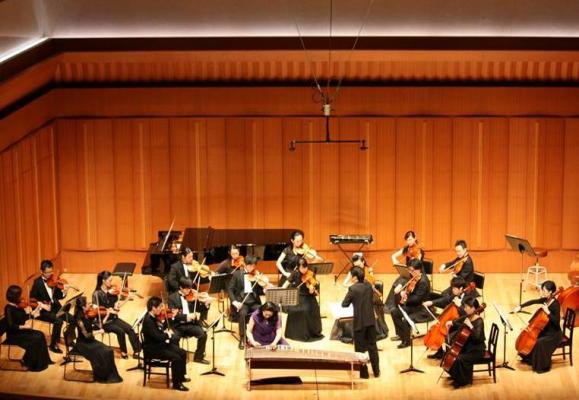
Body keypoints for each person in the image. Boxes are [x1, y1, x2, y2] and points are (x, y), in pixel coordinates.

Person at [513, 280, 563, 373]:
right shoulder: (546, 300)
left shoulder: (556, 305)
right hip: (545, 329)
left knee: (539, 342)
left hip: (554, 334)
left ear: (550, 292)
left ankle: (542, 366)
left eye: (544, 290)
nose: (542, 292)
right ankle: (531, 359)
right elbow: (534, 301)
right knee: (533, 338)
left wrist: (548, 312)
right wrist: (520, 306)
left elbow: (556, 322)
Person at [422, 276, 477, 359]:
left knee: (447, 331)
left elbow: (468, 315)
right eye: (452, 288)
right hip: (454, 321)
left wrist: (460, 306)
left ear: (461, 288)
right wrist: (432, 302)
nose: (452, 290)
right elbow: (446, 299)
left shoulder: (468, 298)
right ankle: (440, 352)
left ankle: (447, 352)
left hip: (463, 323)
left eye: (454, 288)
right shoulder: (456, 294)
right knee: (443, 326)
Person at [142, 296, 189, 391]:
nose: (161, 309)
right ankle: (177, 383)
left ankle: (181, 377)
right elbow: (158, 337)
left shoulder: (153, 317)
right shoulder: (148, 321)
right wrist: (168, 334)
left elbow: (158, 333)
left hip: (159, 345)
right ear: (153, 308)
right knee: (176, 358)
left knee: (183, 352)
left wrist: (164, 329)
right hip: (153, 349)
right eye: (160, 307)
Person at [72, 296, 122, 383]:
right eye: (88, 304)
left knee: (109, 350)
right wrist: (98, 332)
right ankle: (102, 375)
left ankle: (110, 375)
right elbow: (87, 335)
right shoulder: (79, 320)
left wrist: (106, 315)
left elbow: (96, 325)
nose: (90, 305)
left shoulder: (86, 315)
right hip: (83, 344)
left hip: (90, 341)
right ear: (83, 307)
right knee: (104, 352)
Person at [92, 271, 141, 359]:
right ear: (103, 281)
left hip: (114, 318)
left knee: (130, 329)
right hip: (104, 321)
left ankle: (137, 351)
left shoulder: (112, 292)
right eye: (109, 280)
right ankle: (123, 352)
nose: (111, 283)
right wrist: (108, 311)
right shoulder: (96, 294)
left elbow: (116, 306)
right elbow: (96, 310)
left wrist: (127, 299)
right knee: (120, 331)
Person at [341, 267, 380, 378]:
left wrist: (350, 292)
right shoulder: (368, 286)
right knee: (372, 346)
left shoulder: (353, 289)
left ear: (354, 277)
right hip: (371, 321)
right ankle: (376, 371)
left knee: (360, 349)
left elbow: (344, 304)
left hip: (360, 323)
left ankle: (364, 373)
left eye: (351, 276)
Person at [4, 285, 53, 371]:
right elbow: (10, 326)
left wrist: (33, 314)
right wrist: (23, 326)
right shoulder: (8, 308)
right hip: (14, 335)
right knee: (36, 338)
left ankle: (44, 361)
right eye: (19, 295)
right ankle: (31, 363)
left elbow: (23, 317)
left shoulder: (18, 305)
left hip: (22, 331)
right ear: (15, 297)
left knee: (40, 334)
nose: (21, 297)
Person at [29, 259, 73, 353]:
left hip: (55, 307)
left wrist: (64, 292)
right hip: (43, 311)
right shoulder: (37, 283)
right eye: (47, 273)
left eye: (51, 272)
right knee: (58, 321)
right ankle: (53, 345)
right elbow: (32, 300)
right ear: (41, 271)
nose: (50, 274)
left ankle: (69, 339)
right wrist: (42, 305)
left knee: (73, 319)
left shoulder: (53, 280)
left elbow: (59, 296)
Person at [342, 253, 388, 340]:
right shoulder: (353, 271)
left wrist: (370, 274)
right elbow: (344, 284)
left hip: (369, 293)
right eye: (355, 265)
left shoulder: (368, 270)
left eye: (359, 264)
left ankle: (377, 329)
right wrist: (354, 285)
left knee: (374, 302)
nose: (358, 267)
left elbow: (373, 282)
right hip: (358, 293)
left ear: (363, 262)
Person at [445, 297, 486, 388]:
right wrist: (452, 322)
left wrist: (471, 326)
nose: (464, 309)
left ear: (473, 308)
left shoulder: (479, 321)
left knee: (459, 358)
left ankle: (463, 380)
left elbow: (477, 338)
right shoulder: (468, 317)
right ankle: (456, 376)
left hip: (477, 350)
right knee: (452, 355)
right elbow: (460, 323)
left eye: (467, 307)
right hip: (469, 347)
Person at [167, 277, 210, 364]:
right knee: (174, 338)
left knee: (203, 335)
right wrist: (187, 316)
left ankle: (198, 357)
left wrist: (206, 304)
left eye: (190, 288)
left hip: (191, 324)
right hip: (178, 326)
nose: (189, 291)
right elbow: (173, 315)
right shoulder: (172, 298)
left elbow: (199, 309)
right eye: (186, 289)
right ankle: (177, 358)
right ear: (180, 287)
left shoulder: (192, 295)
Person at [389, 259, 431, 348]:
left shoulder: (423, 282)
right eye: (410, 270)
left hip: (421, 308)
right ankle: (401, 335)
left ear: (419, 269)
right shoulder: (415, 276)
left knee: (406, 318)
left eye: (412, 270)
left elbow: (417, 299)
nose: (411, 273)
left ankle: (406, 341)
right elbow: (406, 281)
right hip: (413, 305)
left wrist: (405, 297)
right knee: (394, 311)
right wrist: (401, 286)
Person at [282, 257, 324, 342]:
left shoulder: (311, 274)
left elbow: (314, 288)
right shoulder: (294, 273)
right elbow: (286, 283)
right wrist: (282, 289)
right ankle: (295, 333)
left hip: (308, 296)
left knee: (307, 310)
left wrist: (311, 290)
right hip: (297, 296)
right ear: (298, 267)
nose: (304, 270)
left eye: (305, 267)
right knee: (295, 310)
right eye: (302, 268)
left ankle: (310, 332)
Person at [227, 255, 265, 349]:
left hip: (254, 301)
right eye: (250, 266)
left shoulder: (256, 275)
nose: (252, 268)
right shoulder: (237, 274)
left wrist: (263, 288)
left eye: (254, 266)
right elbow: (230, 289)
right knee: (242, 314)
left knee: (262, 311)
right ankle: (243, 338)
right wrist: (234, 301)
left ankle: (258, 335)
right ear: (245, 264)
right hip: (242, 302)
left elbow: (259, 290)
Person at [385, 231, 425, 313]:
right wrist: (395, 260)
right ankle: (391, 306)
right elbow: (393, 256)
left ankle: (398, 305)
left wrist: (413, 261)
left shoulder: (419, 250)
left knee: (400, 282)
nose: (409, 242)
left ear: (415, 238)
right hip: (408, 272)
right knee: (396, 283)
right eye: (407, 240)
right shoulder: (407, 248)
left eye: (410, 239)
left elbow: (417, 265)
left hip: (416, 274)